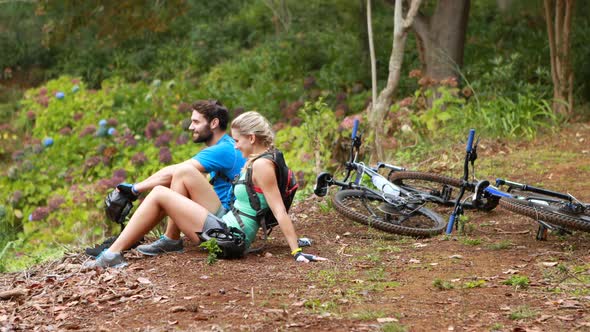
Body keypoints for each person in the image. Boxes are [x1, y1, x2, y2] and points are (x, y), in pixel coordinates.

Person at [84, 111, 326, 268]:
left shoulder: (262, 165)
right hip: (229, 221)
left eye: (238, 140)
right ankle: (170, 239)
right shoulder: (258, 158)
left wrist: (296, 251)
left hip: (232, 239)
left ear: (252, 138)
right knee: (184, 172)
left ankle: (112, 255)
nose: (235, 145)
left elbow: (279, 209)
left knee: (159, 194)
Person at [113, 100, 247, 256]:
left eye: (196, 122)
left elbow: (176, 171)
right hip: (226, 214)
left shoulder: (223, 149)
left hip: (226, 224)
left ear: (214, 123)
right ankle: (170, 238)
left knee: (183, 173)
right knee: (183, 175)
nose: (191, 127)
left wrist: (135, 189)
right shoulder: (225, 146)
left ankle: (170, 239)